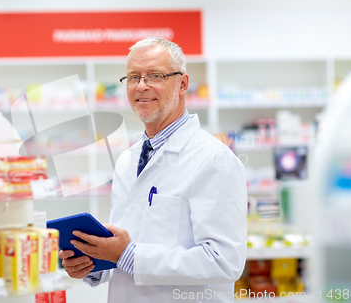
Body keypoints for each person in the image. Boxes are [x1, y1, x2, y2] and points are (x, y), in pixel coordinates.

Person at [59, 37, 247, 303]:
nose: (141, 86)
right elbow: (125, 248)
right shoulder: (127, 160)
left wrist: (128, 256)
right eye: (133, 77)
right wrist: (91, 264)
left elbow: (225, 262)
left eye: (155, 75)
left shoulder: (215, 160)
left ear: (182, 84)